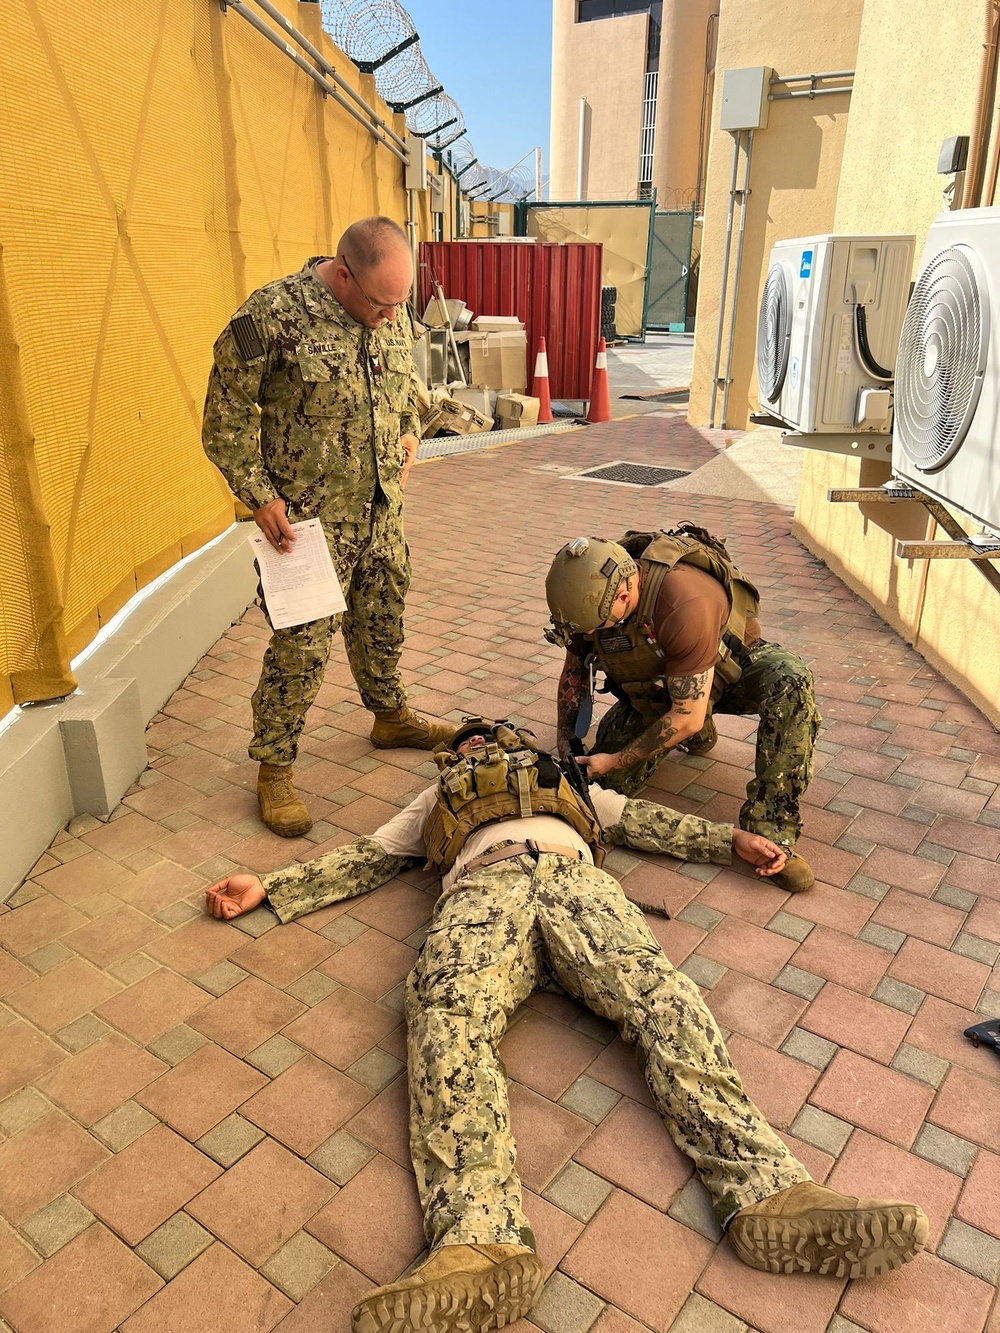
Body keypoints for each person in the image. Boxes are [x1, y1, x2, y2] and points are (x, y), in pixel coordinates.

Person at [205, 717, 926, 1333]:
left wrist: (728, 841)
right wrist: (269, 885)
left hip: (580, 885)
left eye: (492, 732)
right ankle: (478, 1239)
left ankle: (769, 1191)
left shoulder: (566, 781)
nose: (481, 740)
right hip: (484, 888)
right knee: (445, 1013)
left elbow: (643, 821)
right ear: (453, 757)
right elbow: (369, 855)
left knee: (664, 1001)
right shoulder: (436, 796)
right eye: (467, 740)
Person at [202, 215, 452, 839]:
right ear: (344, 275)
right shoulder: (273, 317)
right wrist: (258, 497)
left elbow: (408, 389)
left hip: (380, 512)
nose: (393, 317)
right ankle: (275, 766)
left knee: (382, 618)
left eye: (401, 304)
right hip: (306, 527)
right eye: (380, 303)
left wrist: (412, 431)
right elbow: (223, 417)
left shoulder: (388, 312)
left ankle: (389, 715)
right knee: (302, 647)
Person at [545, 527, 821, 893]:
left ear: (626, 594)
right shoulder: (587, 601)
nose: (592, 632)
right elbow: (575, 675)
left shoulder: (685, 600)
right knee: (594, 791)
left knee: (791, 680)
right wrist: (567, 740)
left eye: (599, 626)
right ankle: (696, 729)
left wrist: (615, 758)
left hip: (730, 670)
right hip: (657, 687)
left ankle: (771, 829)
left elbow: (685, 714)